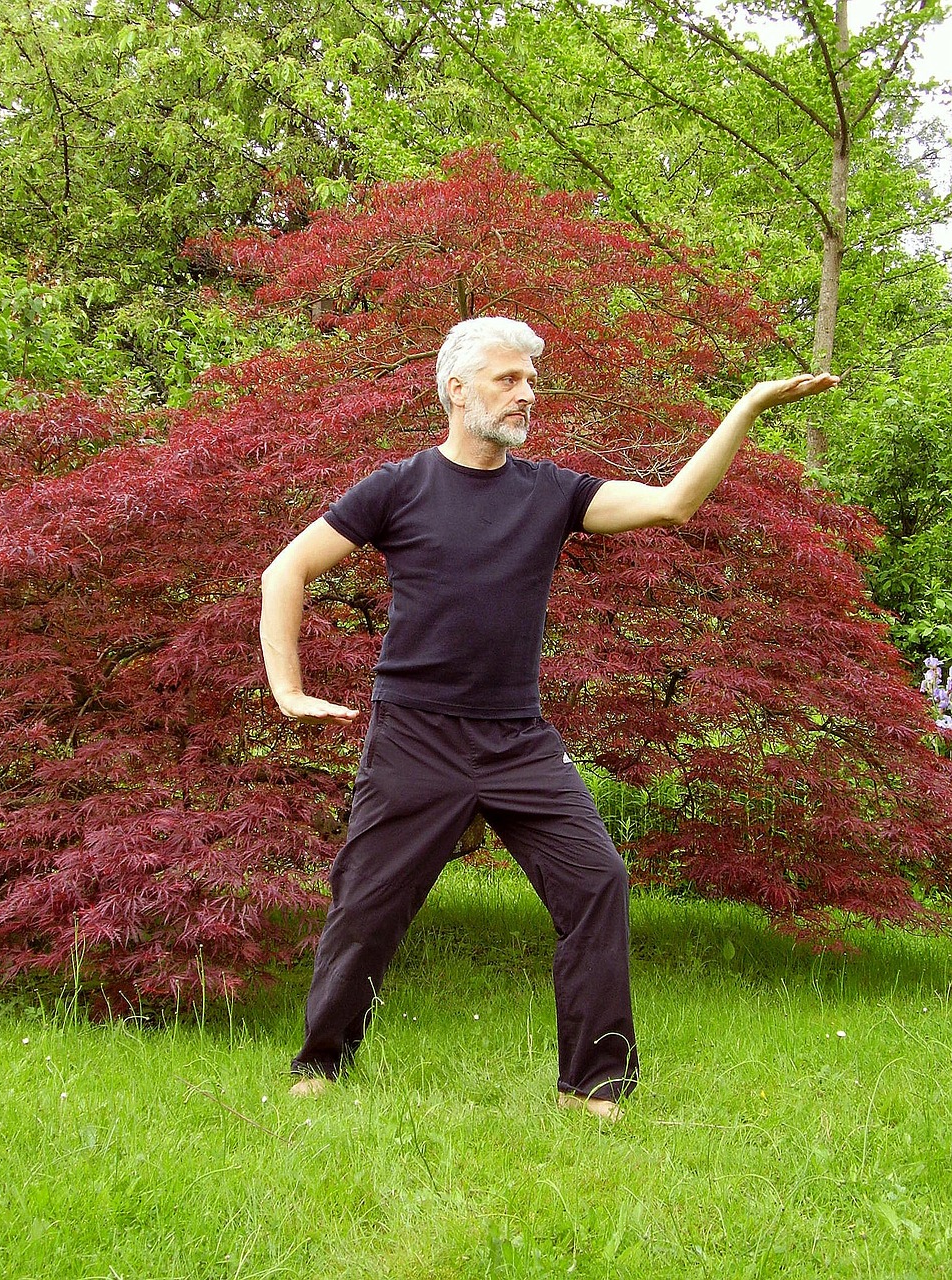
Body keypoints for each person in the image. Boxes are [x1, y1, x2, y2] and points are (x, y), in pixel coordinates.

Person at [260, 316, 838, 1120]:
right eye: (507, 378)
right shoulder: (397, 487)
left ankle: (593, 1087)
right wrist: (286, 689)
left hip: (518, 740)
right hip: (415, 733)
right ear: (456, 389)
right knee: (367, 904)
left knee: (597, 881)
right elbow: (285, 569)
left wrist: (743, 407)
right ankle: (320, 1066)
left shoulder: (553, 493)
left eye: (531, 380)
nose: (526, 393)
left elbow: (672, 504)